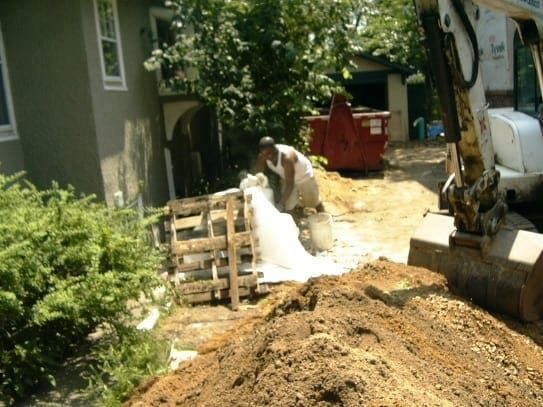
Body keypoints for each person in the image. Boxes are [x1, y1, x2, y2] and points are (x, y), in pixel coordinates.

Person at [255, 136, 324, 214]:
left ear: (275, 149)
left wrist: (281, 203)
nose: (269, 157)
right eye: (265, 154)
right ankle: (294, 224)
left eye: (271, 153)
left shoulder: (286, 158)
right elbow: (258, 173)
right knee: (288, 206)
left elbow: (290, 184)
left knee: (313, 202)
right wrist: (257, 180)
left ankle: (325, 218)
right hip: (287, 177)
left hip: (304, 176)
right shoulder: (263, 157)